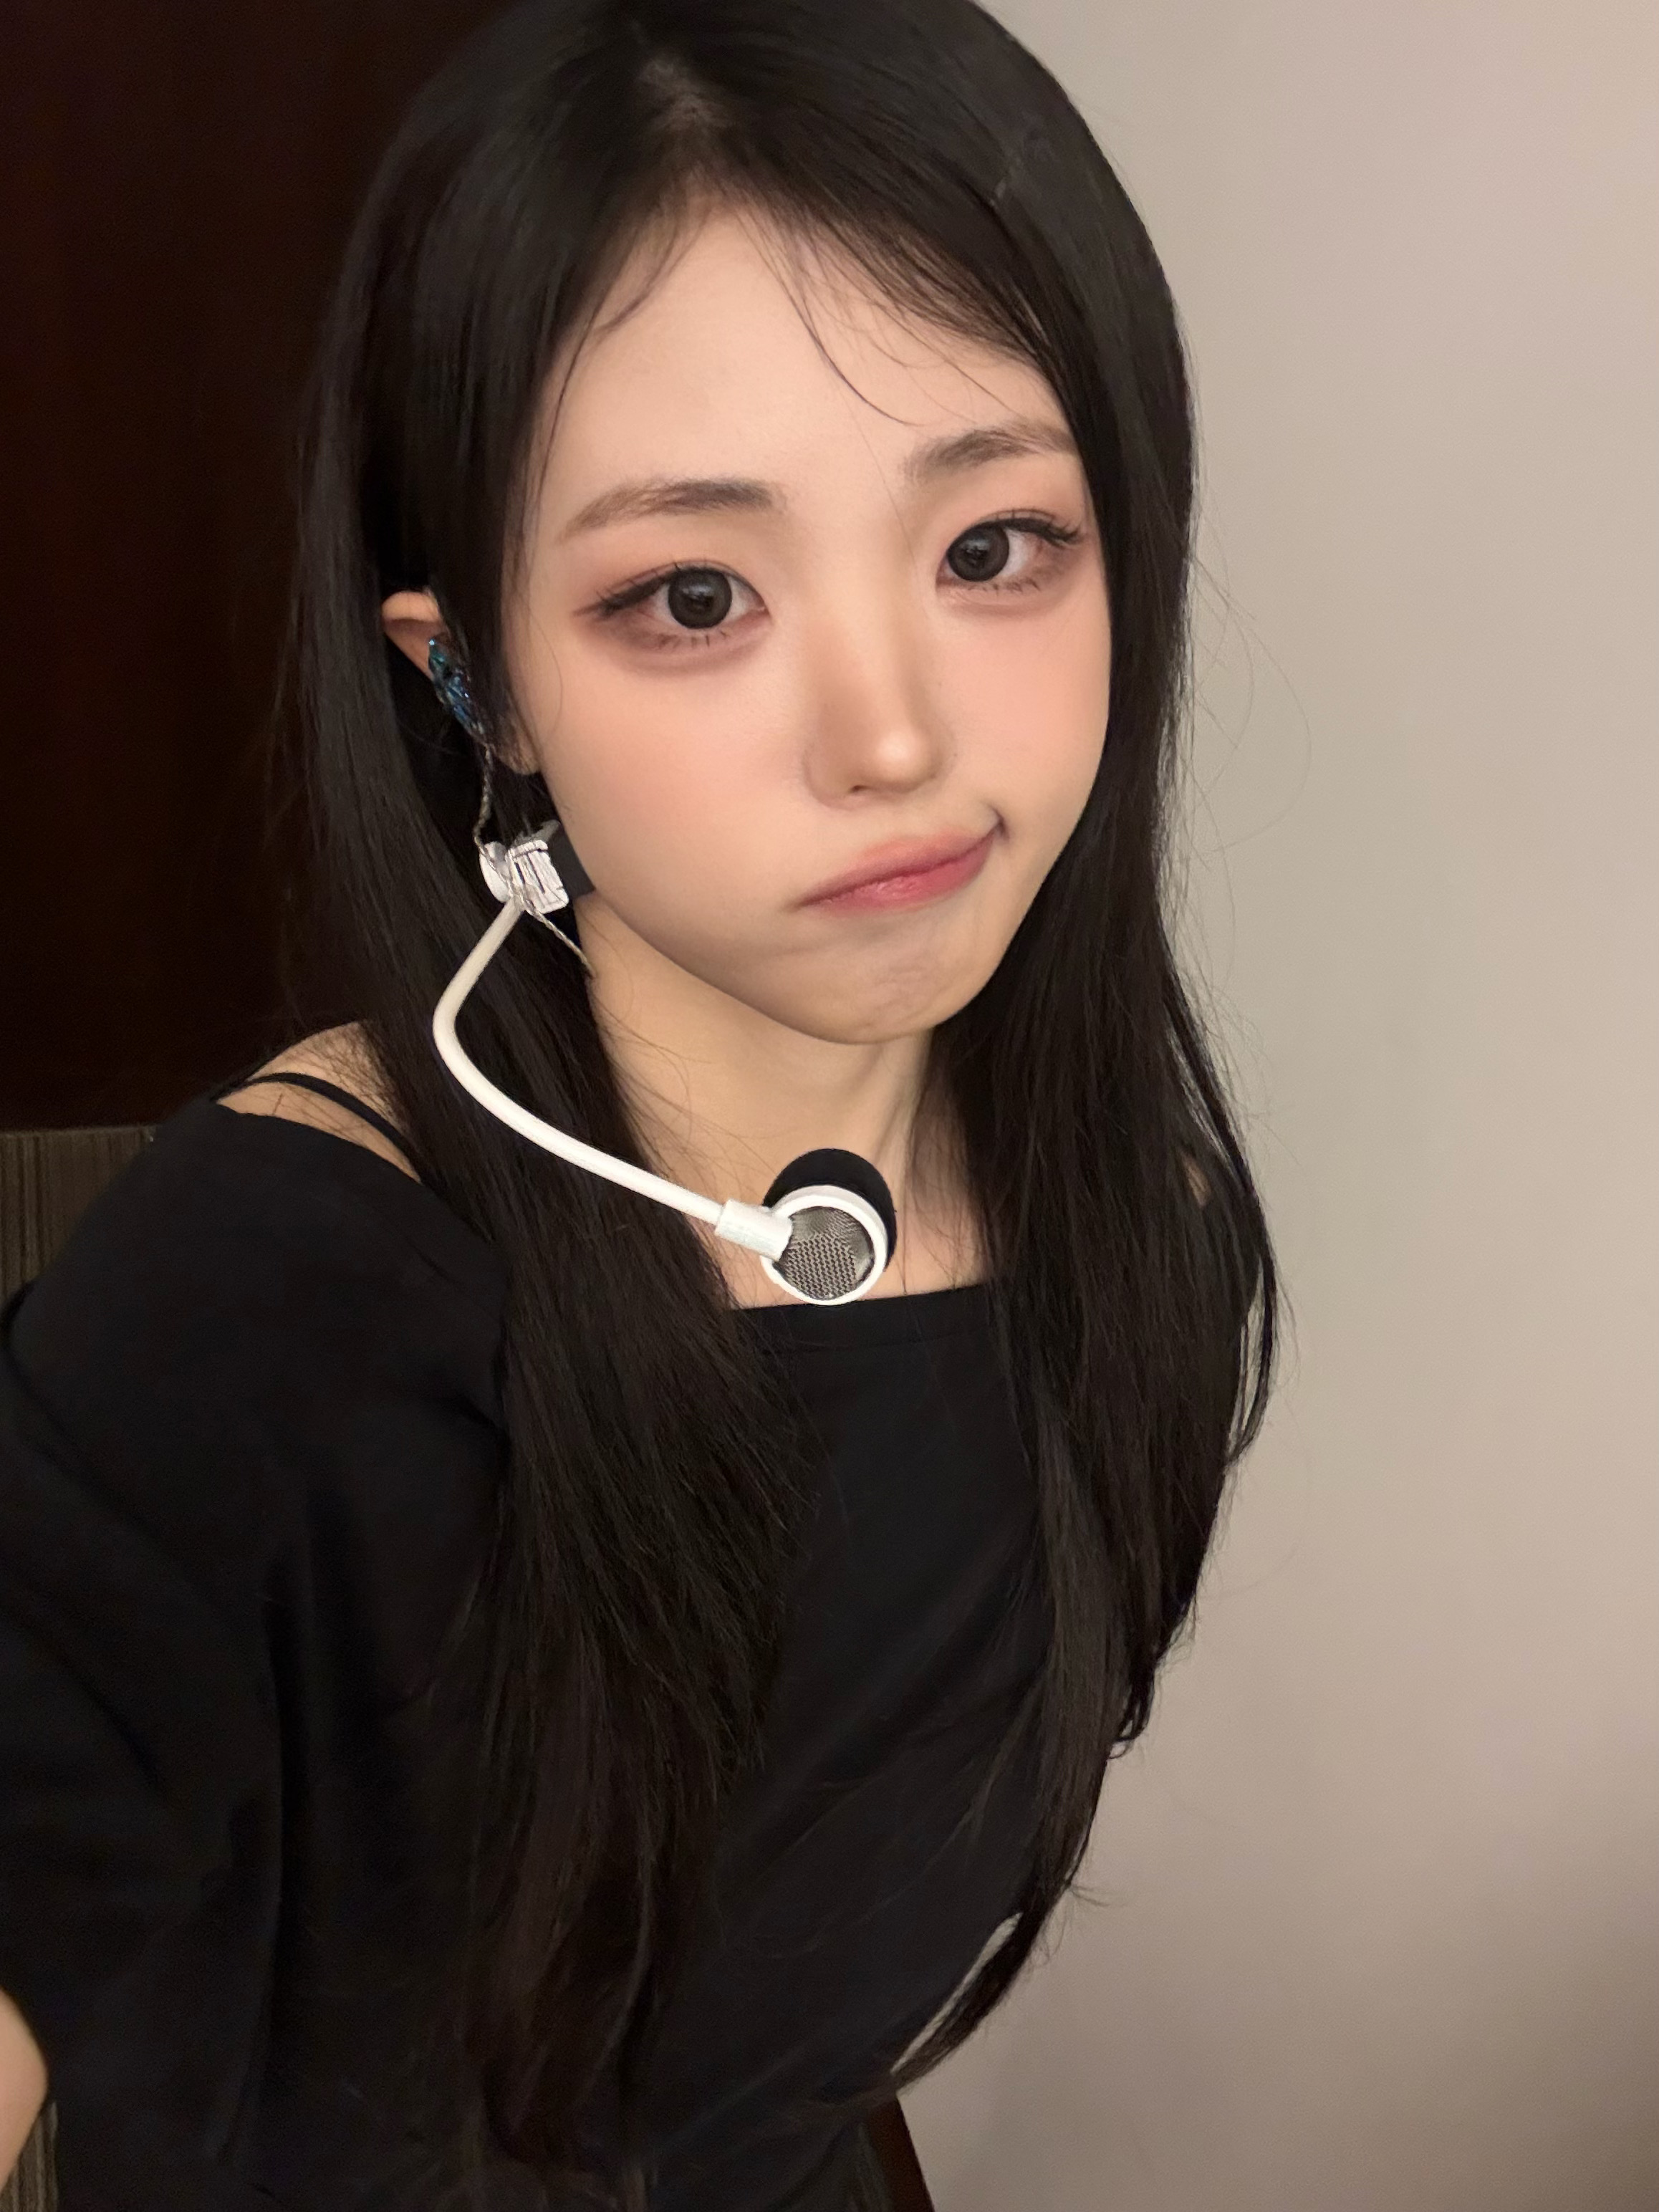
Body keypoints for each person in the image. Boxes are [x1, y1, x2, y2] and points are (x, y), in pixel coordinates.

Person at [0, 1, 1276, 2206]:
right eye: (695, 595)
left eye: (991, 547)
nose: (890, 738)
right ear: (474, 683)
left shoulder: (1139, 1212)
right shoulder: (251, 1292)